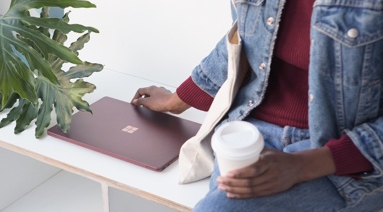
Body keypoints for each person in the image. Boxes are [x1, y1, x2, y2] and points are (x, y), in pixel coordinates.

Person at [131, 0, 383, 211]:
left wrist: (304, 165)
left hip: (347, 156)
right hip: (247, 131)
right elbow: (248, 36)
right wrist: (179, 99)